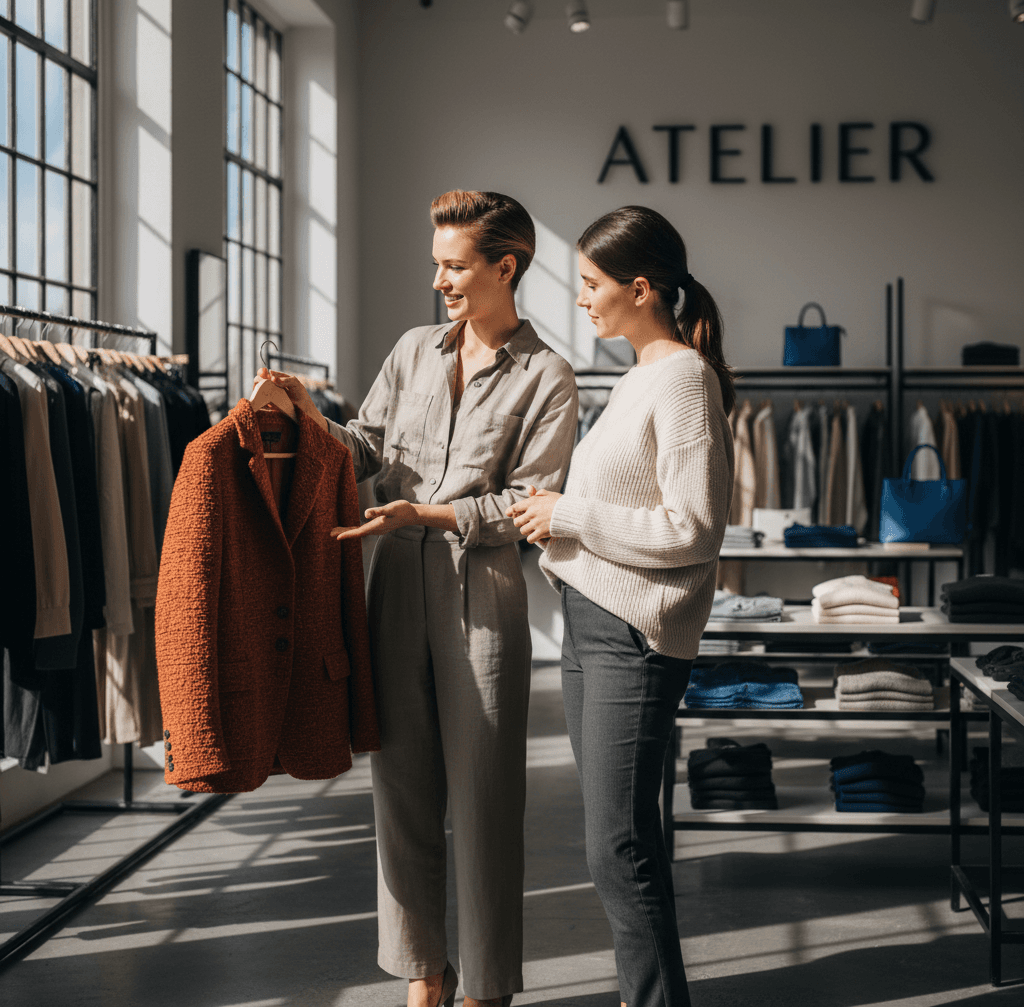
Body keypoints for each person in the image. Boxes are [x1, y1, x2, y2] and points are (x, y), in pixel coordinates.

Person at [260, 190, 578, 1007]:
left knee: (483, 799)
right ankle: (424, 975)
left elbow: (530, 503)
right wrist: (306, 413)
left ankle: (487, 986)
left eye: (455, 265)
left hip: (485, 590)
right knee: (400, 786)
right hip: (394, 575)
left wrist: (427, 512)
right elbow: (364, 447)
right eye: (437, 263)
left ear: (505, 267)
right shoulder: (411, 351)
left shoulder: (548, 376)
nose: (439, 279)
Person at [507, 205, 735, 1007]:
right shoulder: (644, 375)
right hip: (594, 625)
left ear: (641, 289)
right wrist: (557, 509)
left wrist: (565, 514)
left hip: (628, 638)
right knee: (615, 842)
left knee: (620, 846)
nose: (581, 300)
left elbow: (694, 530)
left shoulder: (681, 381)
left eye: (592, 284)